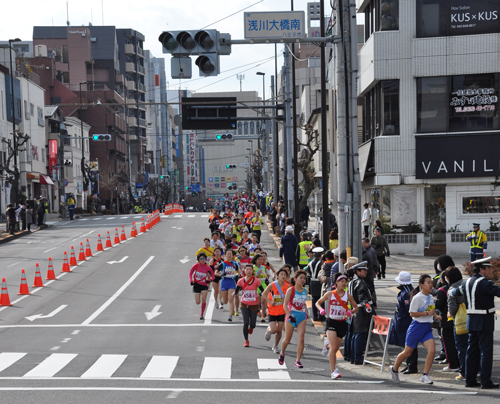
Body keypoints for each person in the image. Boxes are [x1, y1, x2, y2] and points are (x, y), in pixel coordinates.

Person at [389, 274, 441, 385]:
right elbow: (412, 313)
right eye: (428, 282)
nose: (431, 285)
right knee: (407, 352)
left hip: (427, 328)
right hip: (416, 327)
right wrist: (427, 313)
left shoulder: (431, 297)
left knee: (432, 350)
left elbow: (431, 310)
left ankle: (425, 375)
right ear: (422, 285)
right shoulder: (417, 297)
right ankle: (394, 369)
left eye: (431, 282)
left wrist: (436, 316)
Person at [457, 256, 500, 389]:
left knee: (472, 351)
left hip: (471, 321)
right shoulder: (485, 283)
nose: (490, 271)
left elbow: (455, 292)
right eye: (488, 268)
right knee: (486, 352)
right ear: (481, 269)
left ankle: (470, 380)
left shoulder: (466, 282)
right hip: (484, 321)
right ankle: (485, 381)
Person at [316, 272, 358, 379]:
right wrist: (321, 309)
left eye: (345, 282)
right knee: (334, 348)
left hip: (342, 323)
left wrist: (350, 312)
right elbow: (318, 302)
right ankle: (333, 371)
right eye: (341, 281)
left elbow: (356, 307)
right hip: (331, 322)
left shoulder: (348, 296)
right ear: (336, 282)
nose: (344, 284)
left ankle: (327, 345)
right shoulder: (330, 294)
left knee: (335, 347)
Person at [388, 271, 419, 374]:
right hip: (403, 321)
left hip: (406, 322)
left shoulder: (407, 293)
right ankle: (408, 364)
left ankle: (412, 366)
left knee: (410, 345)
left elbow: (408, 309)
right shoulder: (405, 291)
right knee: (407, 344)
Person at [279, 270, 309, 368]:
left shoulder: (306, 290)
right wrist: (289, 315)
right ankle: (282, 353)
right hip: (291, 316)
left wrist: (306, 314)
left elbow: (304, 304)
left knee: (301, 339)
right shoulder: (290, 290)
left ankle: (298, 360)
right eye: (301, 278)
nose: (303, 280)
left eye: (304, 278)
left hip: (301, 317)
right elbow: (285, 305)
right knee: (287, 339)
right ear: (295, 279)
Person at [347, 261, 373, 365]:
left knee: (355, 334)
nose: (365, 272)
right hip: (361, 311)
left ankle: (353, 356)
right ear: (357, 271)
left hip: (354, 310)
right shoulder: (360, 282)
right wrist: (368, 309)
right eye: (363, 270)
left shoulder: (352, 281)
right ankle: (357, 357)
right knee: (360, 334)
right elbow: (363, 299)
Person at [434, 271, 460, 372]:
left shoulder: (443, 290)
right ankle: (459, 363)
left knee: (448, 344)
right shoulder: (457, 288)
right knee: (456, 343)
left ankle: (452, 365)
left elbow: (439, 305)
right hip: (458, 318)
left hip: (446, 318)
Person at [445, 266, 467, 380]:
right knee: (472, 346)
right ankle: (476, 369)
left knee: (461, 347)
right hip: (472, 318)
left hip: (460, 321)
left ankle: (464, 372)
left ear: (449, 278)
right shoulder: (466, 284)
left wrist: (449, 313)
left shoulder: (452, 289)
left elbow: (452, 309)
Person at [262, 267, 291, 353]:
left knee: (279, 330)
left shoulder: (288, 287)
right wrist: (270, 301)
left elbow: (290, 299)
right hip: (272, 310)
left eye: (285, 275)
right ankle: (269, 330)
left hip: (282, 311)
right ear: (277, 276)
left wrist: (285, 300)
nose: (283, 276)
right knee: (274, 330)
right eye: (281, 274)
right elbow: (263, 294)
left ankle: (275, 346)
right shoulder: (272, 285)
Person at [234, 263, 261, 347]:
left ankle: (251, 328)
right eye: (247, 269)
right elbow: (237, 290)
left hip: (254, 304)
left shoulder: (256, 280)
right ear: (244, 271)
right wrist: (234, 294)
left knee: (253, 324)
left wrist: (260, 294)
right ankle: (246, 340)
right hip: (244, 304)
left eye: (250, 269)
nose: (248, 271)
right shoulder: (241, 281)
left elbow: (262, 290)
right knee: (246, 322)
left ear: (253, 271)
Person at [215, 249, 240, 322]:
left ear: (232, 255)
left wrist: (236, 275)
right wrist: (221, 274)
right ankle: (222, 301)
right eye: (228, 254)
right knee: (225, 301)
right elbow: (215, 273)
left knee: (231, 299)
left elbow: (238, 272)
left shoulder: (235, 264)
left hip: (232, 282)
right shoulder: (222, 264)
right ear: (225, 255)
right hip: (224, 282)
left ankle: (230, 315)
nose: (229, 255)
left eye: (230, 254)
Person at [188, 253, 214, 320]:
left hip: (204, 285)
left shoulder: (208, 267)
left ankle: (202, 314)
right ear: (198, 259)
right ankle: (201, 311)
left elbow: (213, 275)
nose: (202, 260)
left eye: (203, 258)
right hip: (196, 285)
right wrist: (191, 281)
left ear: (205, 259)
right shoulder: (195, 266)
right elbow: (190, 273)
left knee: (204, 300)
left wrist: (209, 280)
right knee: (197, 302)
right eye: (200, 258)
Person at [306, 247, 325, 321]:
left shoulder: (310, 263)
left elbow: (308, 273)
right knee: (321, 299)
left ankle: (314, 316)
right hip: (319, 282)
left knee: (314, 299)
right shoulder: (321, 263)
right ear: (320, 255)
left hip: (312, 282)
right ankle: (321, 315)